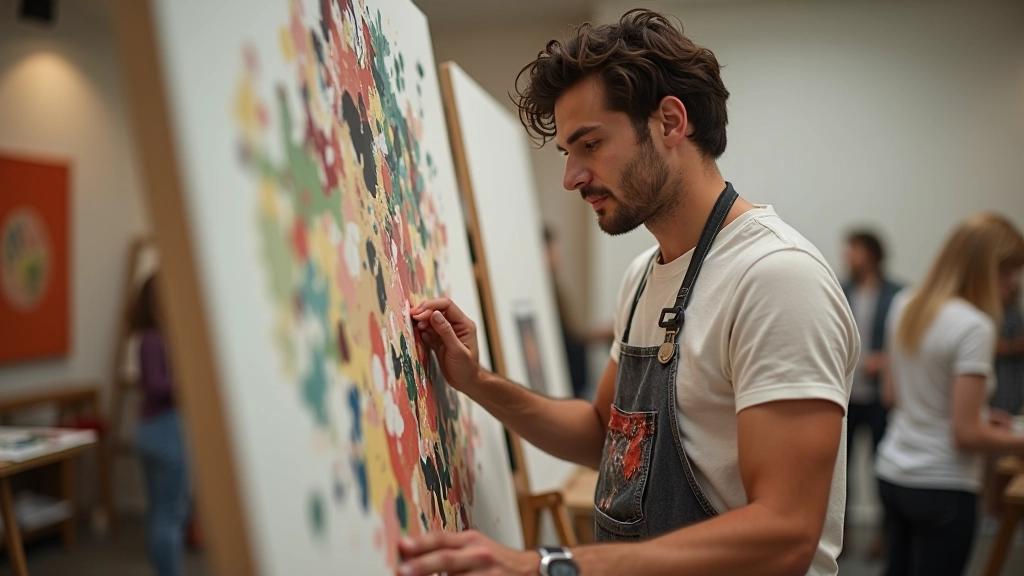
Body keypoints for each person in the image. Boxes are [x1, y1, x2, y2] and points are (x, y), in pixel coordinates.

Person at [399, 9, 859, 576]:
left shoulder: (775, 278)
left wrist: (549, 565)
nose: (572, 177)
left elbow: (786, 532)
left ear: (669, 122)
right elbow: (603, 437)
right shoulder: (643, 275)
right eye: (568, 153)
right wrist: (477, 381)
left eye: (589, 144)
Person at [875, 214, 1024, 576]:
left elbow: (892, 395)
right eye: (1006, 273)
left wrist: (978, 417)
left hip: (893, 473)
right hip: (943, 484)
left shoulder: (906, 303)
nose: (1010, 285)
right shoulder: (975, 325)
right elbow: (965, 434)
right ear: (984, 269)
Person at [841, 230, 901, 556]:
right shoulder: (839, 289)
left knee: (883, 470)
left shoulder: (898, 294)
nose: (848, 256)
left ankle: (885, 536)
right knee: (841, 472)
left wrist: (887, 358)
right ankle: (841, 535)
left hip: (881, 399)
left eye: (854, 249)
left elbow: (908, 341)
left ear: (872, 253)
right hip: (846, 399)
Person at [132, 275, 190, 576]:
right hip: (165, 431)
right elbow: (156, 385)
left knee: (160, 513)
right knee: (169, 515)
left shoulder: (147, 338)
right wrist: (188, 381)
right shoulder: (156, 338)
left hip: (148, 430)